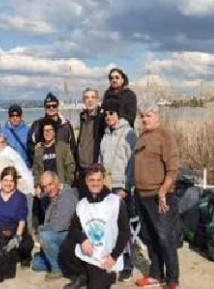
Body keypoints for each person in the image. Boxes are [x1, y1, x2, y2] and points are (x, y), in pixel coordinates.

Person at [60, 163, 131, 289]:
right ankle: (82, 275)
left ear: (103, 180)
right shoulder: (82, 204)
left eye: (98, 180)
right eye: (91, 180)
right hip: (90, 252)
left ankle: (110, 276)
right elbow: (73, 228)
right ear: (86, 181)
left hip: (107, 256)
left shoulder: (115, 202)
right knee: (66, 246)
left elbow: (125, 232)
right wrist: (83, 239)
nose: (95, 183)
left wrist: (114, 256)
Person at [133, 100, 180, 289]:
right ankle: (156, 274)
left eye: (148, 115)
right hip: (141, 195)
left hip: (159, 196)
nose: (145, 119)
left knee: (165, 238)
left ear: (158, 116)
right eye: (142, 116)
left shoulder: (165, 136)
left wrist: (163, 191)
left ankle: (172, 280)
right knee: (149, 237)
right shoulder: (142, 137)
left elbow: (173, 168)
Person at [99, 98, 137, 282]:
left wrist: (126, 188)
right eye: (105, 113)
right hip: (105, 186)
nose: (108, 116)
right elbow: (100, 160)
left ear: (118, 114)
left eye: (111, 113)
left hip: (121, 187)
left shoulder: (129, 133)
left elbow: (133, 164)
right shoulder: (106, 135)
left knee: (123, 228)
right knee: (108, 227)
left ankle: (128, 264)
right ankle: (112, 261)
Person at [31, 171, 78, 281]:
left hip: (69, 237)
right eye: (44, 186)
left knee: (45, 236)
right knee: (36, 264)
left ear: (57, 182)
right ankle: (58, 261)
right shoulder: (52, 196)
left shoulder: (67, 197)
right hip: (58, 235)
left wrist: (41, 231)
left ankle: (57, 269)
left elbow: (59, 226)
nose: (47, 189)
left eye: (50, 184)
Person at [0, 166, 34, 267]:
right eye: (6, 180)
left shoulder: (21, 197)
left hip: (14, 231)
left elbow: (22, 219)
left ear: (15, 182)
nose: (8, 183)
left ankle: (23, 257)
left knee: (27, 244)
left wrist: (18, 235)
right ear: (1, 180)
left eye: (11, 181)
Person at [27, 92, 77, 163]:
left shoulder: (66, 125)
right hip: (44, 169)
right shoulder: (37, 125)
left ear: (58, 106)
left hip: (63, 168)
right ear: (44, 108)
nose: (51, 108)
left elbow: (72, 148)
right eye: (48, 106)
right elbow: (30, 146)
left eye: (54, 105)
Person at [33, 119, 76, 189]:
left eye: (50, 130)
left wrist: (67, 183)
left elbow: (70, 166)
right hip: (46, 187)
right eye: (45, 131)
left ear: (54, 132)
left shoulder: (63, 147)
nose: (47, 133)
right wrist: (37, 185)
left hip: (61, 186)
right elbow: (36, 170)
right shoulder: (39, 150)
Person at [76, 87, 106, 188]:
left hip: (95, 169)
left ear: (97, 100)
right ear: (84, 100)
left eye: (93, 97)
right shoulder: (83, 117)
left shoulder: (102, 118)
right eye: (87, 98)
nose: (90, 100)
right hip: (82, 169)